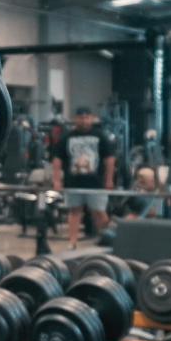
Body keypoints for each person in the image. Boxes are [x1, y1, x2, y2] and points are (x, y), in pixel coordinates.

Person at [50, 105, 116, 249]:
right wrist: (56, 180)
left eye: (86, 117)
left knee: (99, 212)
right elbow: (57, 160)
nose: (84, 120)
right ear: (75, 119)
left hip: (96, 182)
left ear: (91, 118)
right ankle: (72, 242)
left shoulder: (100, 136)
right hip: (73, 182)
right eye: (81, 118)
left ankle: (106, 240)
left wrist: (109, 180)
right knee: (74, 212)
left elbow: (109, 159)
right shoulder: (67, 137)